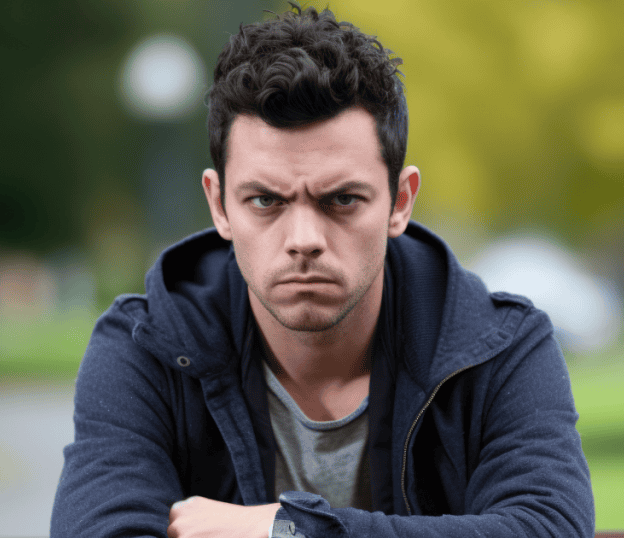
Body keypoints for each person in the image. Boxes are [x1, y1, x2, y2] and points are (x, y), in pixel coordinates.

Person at [51, 4, 594, 537]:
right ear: (219, 206)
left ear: (400, 202)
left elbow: (548, 528)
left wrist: (291, 530)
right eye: (265, 201)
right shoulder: (147, 347)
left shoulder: (498, 349)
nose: (304, 241)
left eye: (341, 200)